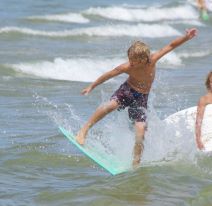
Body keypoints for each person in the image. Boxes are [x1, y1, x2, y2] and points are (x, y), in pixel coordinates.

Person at [76, 28, 198, 167]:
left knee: (140, 131)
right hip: (127, 90)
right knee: (110, 106)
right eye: (130, 59)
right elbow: (109, 75)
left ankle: (136, 162)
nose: (131, 63)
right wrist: (92, 86)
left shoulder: (152, 61)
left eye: (134, 60)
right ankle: (84, 130)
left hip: (141, 99)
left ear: (144, 59)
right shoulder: (126, 67)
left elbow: (170, 46)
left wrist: (186, 37)